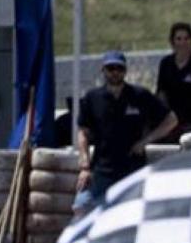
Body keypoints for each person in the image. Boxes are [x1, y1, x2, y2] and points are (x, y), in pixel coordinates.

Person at [75, 51, 177, 216]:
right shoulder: (92, 98)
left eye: (119, 68)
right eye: (111, 68)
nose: (115, 72)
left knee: (131, 214)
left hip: (132, 169)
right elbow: (83, 132)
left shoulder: (139, 95)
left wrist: (146, 141)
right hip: (102, 169)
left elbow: (171, 120)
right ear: (103, 70)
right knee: (81, 208)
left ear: (125, 71)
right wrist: (85, 166)